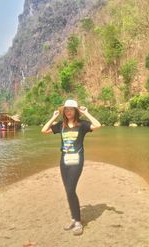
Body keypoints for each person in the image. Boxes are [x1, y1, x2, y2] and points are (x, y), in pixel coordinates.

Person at [41, 99, 101, 235]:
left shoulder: (82, 125)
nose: (68, 112)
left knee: (70, 189)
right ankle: (74, 218)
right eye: (66, 109)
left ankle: (78, 222)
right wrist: (53, 117)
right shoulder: (61, 125)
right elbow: (44, 130)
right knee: (68, 191)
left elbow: (98, 125)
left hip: (77, 160)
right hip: (64, 161)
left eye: (71, 109)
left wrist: (86, 113)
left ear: (75, 111)